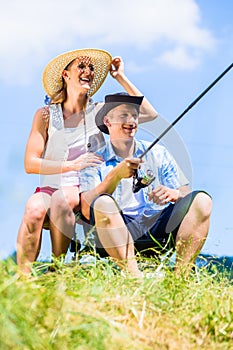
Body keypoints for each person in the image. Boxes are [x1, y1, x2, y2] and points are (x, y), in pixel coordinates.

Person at [16, 48, 158, 274]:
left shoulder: (99, 111)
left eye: (91, 68)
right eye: (81, 67)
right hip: (50, 183)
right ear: (66, 75)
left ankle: (56, 269)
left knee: (62, 200)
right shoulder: (45, 115)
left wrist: (120, 77)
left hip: (83, 185)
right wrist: (70, 165)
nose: (88, 72)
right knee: (33, 210)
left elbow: (150, 114)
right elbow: (30, 163)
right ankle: (22, 281)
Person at [80, 93, 212, 278]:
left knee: (202, 200)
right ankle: (135, 277)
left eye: (134, 115)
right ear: (107, 121)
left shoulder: (158, 152)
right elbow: (86, 208)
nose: (131, 120)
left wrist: (174, 194)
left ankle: (180, 279)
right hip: (116, 228)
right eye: (123, 115)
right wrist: (115, 176)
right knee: (103, 203)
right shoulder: (93, 158)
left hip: (155, 225)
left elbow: (185, 193)